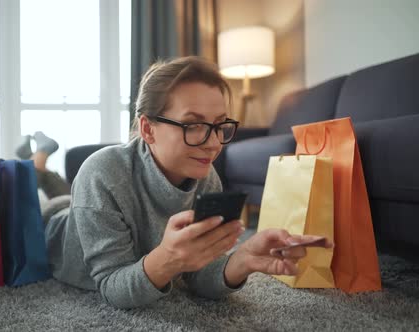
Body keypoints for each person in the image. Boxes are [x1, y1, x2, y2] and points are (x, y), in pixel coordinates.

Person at [18, 56, 333, 309]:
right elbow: (113, 289)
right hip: (51, 224)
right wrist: (167, 259)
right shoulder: (101, 173)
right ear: (148, 129)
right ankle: (38, 162)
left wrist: (242, 259)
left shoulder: (205, 175)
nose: (213, 144)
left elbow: (197, 275)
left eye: (220, 125)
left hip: (86, 204)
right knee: (38, 193)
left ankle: (40, 163)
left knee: (67, 192)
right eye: (194, 124)